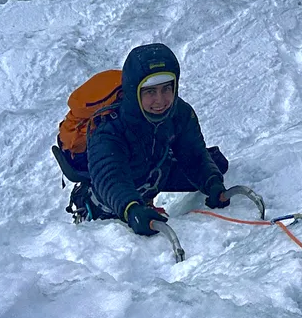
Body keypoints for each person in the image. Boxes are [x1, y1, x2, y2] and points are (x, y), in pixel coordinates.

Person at [89, 42, 231, 236]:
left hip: (151, 178)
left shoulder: (179, 113)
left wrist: (212, 183)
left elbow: (194, 155)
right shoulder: (110, 128)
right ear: (134, 92)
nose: (161, 100)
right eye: (150, 92)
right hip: (106, 209)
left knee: (217, 164)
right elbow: (110, 177)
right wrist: (131, 208)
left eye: (166, 89)